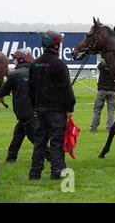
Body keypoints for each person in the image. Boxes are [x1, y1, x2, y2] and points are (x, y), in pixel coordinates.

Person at [28, 30, 76, 180]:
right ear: (56, 45)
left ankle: (35, 173)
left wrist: (36, 106)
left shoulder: (35, 64)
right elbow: (67, 90)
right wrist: (70, 107)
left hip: (40, 111)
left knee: (39, 142)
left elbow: (30, 90)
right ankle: (57, 172)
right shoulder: (60, 65)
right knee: (56, 142)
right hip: (57, 112)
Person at [0, 49, 37, 162]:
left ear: (22, 59)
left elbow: (3, 90)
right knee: (18, 134)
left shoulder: (15, 74)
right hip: (33, 111)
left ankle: (52, 156)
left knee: (35, 139)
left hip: (25, 112)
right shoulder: (35, 72)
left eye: (15, 59)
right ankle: (10, 158)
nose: (14, 62)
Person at [90, 60, 115, 133]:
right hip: (112, 90)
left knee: (97, 110)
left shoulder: (102, 65)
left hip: (102, 90)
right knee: (111, 111)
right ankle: (110, 128)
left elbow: (99, 66)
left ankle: (93, 128)